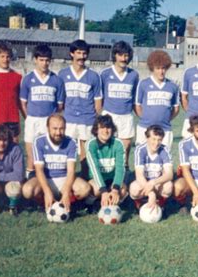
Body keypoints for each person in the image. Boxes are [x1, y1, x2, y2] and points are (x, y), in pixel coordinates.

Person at [22, 113, 90, 212]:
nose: (58, 132)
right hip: (45, 178)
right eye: (55, 128)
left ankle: (70, 204)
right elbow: (39, 170)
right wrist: (47, 192)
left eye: (61, 128)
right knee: (27, 190)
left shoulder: (71, 142)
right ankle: (43, 203)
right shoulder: (39, 141)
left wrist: (66, 192)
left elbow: (71, 171)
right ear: (48, 128)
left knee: (85, 189)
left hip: (64, 178)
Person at [20, 44, 65, 179]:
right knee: (31, 157)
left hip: (48, 122)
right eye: (41, 60)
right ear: (35, 59)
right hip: (32, 120)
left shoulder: (57, 80)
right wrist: (29, 117)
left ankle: (47, 186)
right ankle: (29, 185)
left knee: (47, 156)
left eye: (47, 60)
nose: (44, 63)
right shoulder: (28, 79)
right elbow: (23, 103)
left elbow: (60, 105)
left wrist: (51, 120)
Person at [58, 39, 102, 176]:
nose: (81, 57)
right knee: (65, 152)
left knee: (86, 154)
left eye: (84, 53)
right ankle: (64, 181)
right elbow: (61, 100)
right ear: (72, 54)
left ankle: (85, 181)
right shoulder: (63, 74)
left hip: (87, 120)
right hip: (69, 119)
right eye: (78, 53)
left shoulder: (94, 76)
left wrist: (96, 121)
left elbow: (98, 102)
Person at [100, 41, 139, 169]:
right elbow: (100, 97)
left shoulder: (134, 75)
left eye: (126, 55)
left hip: (126, 116)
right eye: (121, 55)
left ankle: (124, 174)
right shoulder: (105, 74)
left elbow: (134, 98)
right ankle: (107, 174)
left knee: (125, 148)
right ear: (115, 56)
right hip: (109, 114)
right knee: (107, 147)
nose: (124, 58)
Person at [135, 50, 180, 150]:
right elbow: (138, 106)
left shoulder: (172, 86)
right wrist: (146, 118)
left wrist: (166, 118)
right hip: (145, 127)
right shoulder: (144, 84)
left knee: (164, 159)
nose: (161, 71)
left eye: (163, 68)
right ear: (152, 68)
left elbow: (176, 109)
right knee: (142, 156)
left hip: (165, 129)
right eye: (158, 68)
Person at [86, 114, 128, 207]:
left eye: (108, 127)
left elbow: (120, 169)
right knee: (97, 190)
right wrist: (104, 191)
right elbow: (95, 170)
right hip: (97, 179)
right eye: (102, 128)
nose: (105, 131)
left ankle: (115, 205)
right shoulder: (91, 144)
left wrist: (115, 189)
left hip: (112, 179)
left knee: (123, 190)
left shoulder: (118, 143)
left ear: (112, 129)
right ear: (96, 130)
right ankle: (91, 204)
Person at [129, 125, 173, 211]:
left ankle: (160, 204)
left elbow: (169, 174)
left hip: (157, 183)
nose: (156, 143)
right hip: (143, 183)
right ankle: (140, 204)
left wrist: (154, 182)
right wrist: (151, 194)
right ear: (147, 138)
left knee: (168, 186)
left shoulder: (164, 150)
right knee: (134, 189)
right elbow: (139, 175)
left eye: (159, 140)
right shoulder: (140, 150)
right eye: (153, 139)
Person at [0, 41, 24, 143]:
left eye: (7, 56)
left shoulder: (17, 77)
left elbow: (20, 101)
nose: (5, 59)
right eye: (2, 56)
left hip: (12, 120)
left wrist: (26, 117)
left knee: (13, 150)